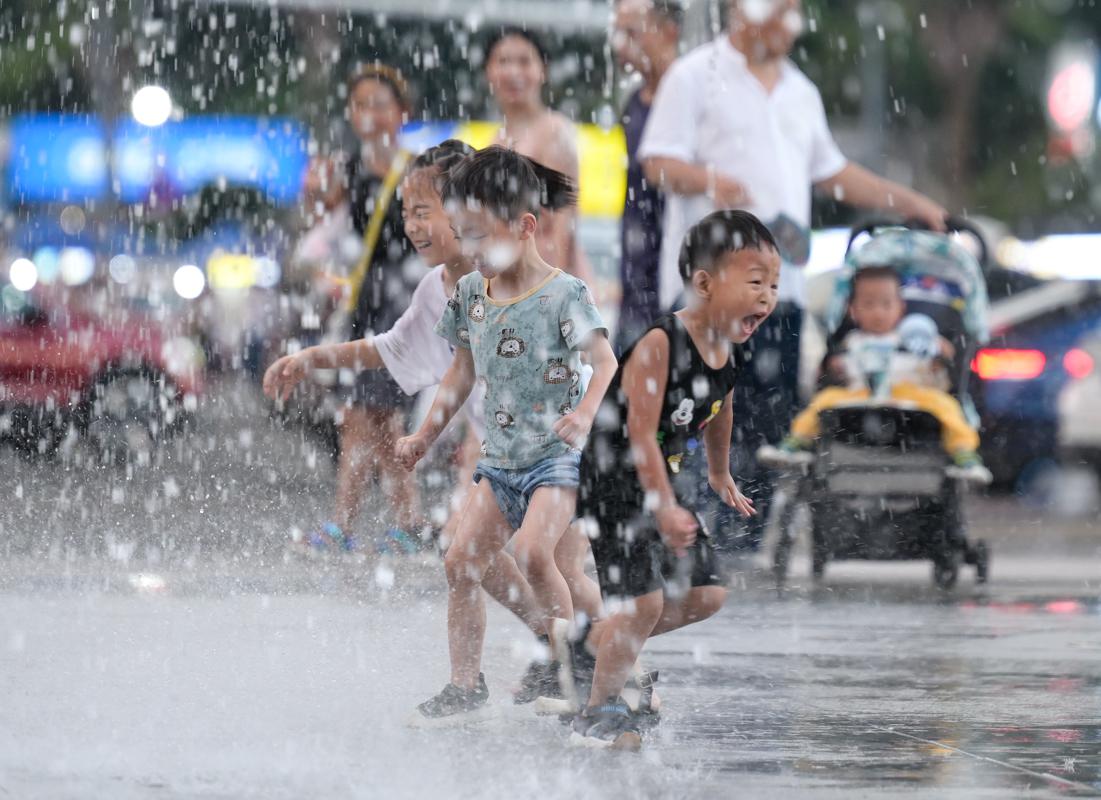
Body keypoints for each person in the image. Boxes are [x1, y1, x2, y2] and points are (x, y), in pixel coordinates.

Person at [264, 140, 603, 700]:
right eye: (404, 214)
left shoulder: (514, 273)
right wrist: (312, 358)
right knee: (469, 556)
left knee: (561, 571)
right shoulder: (442, 290)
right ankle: (530, 661)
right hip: (509, 453)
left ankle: (613, 673)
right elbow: (392, 349)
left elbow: (576, 354)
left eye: (424, 211)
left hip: (562, 445)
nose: (411, 226)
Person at [638, 0, 950, 552]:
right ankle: (688, 532)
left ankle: (743, 543)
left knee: (765, 423)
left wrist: (909, 202)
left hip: (779, 294)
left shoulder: (800, 90)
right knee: (696, 411)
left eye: (793, 13)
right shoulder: (694, 75)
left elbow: (834, 172)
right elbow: (656, 162)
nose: (791, 24)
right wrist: (713, 180)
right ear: (741, 11)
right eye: (779, 11)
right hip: (707, 297)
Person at [395, 147, 618, 725]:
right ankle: (466, 684)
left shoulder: (563, 293)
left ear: (525, 227)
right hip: (501, 463)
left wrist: (587, 415)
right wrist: (424, 436)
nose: (470, 252)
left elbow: (607, 362)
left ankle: (582, 674)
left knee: (538, 556)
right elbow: (460, 373)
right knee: (461, 561)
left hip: (556, 460)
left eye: (479, 238)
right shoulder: (472, 294)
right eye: (463, 238)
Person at [570, 210, 778, 749]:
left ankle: (596, 643)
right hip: (614, 484)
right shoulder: (663, 342)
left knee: (705, 593)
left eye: (773, 285)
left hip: (661, 483)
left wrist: (718, 470)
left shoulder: (726, 347)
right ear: (705, 283)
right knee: (643, 604)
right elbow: (639, 431)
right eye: (755, 281)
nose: (767, 296)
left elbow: (721, 405)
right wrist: (662, 504)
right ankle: (598, 710)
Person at [319, 64, 423, 553]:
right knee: (371, 418)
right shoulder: (348, 169)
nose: (370, 113)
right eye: (361, 103)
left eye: (380, 103)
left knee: (370, 416)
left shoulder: (415, 169)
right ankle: (404, 522)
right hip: (365, 303)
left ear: (402, 113)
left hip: (403, 304)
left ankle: (351, 523)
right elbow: (327, 232)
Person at [759, 267, 992, 483]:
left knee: (948, 407)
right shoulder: (852, 341)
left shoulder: (913, 337)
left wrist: (939, 354)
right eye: (868, 305)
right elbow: (835, 370)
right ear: (853, 310)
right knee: (821, 402)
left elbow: (939, 367)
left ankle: (964, 453)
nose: (878, 313)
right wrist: (836, 367)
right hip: (860, 395)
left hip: (911, 395)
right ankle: (796, 442)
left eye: (885, 305)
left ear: (900, 308)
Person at [484, 26, 597, 289]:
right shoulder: (495, 139)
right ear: (489, 72)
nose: (513, 72)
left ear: (542, 70)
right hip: (512, 277)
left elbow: (564, 224)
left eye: (524, 61)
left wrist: (550, 292)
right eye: (503, 61)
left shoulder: (554, 131)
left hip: (546, 277)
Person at [609, 0, 682, 351]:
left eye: (632, 32)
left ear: (670, 31)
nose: (621, 44)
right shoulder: (633, 100)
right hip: (635, 275)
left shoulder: (694, 96)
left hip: (681, 271)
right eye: (619, 32)